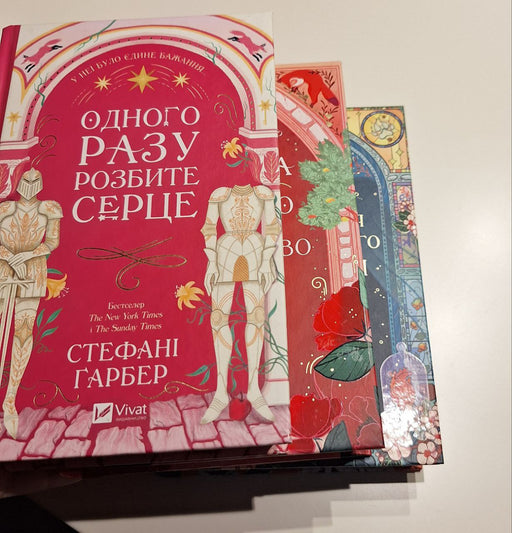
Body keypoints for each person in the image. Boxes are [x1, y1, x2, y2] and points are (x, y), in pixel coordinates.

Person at [200, 183, 279, 424]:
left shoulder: (263, 193)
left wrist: (266, 260)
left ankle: (253, 389)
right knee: (218, 319)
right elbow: (209, 227)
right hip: (225, 252)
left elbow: (271, 226)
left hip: (255, 251)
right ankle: (220, 392)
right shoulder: (219, 194)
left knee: (256, 318)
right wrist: (211, 262)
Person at [0, 167, 62, 439]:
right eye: (26, 180)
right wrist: (9, 257)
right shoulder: (4, 209)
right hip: (3, 269)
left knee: (24, 333)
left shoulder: (50, 208)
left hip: (33, 271)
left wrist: (25, 257)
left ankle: (10, 398)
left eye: (35, 180)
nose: (30, 184)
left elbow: (52, 241)